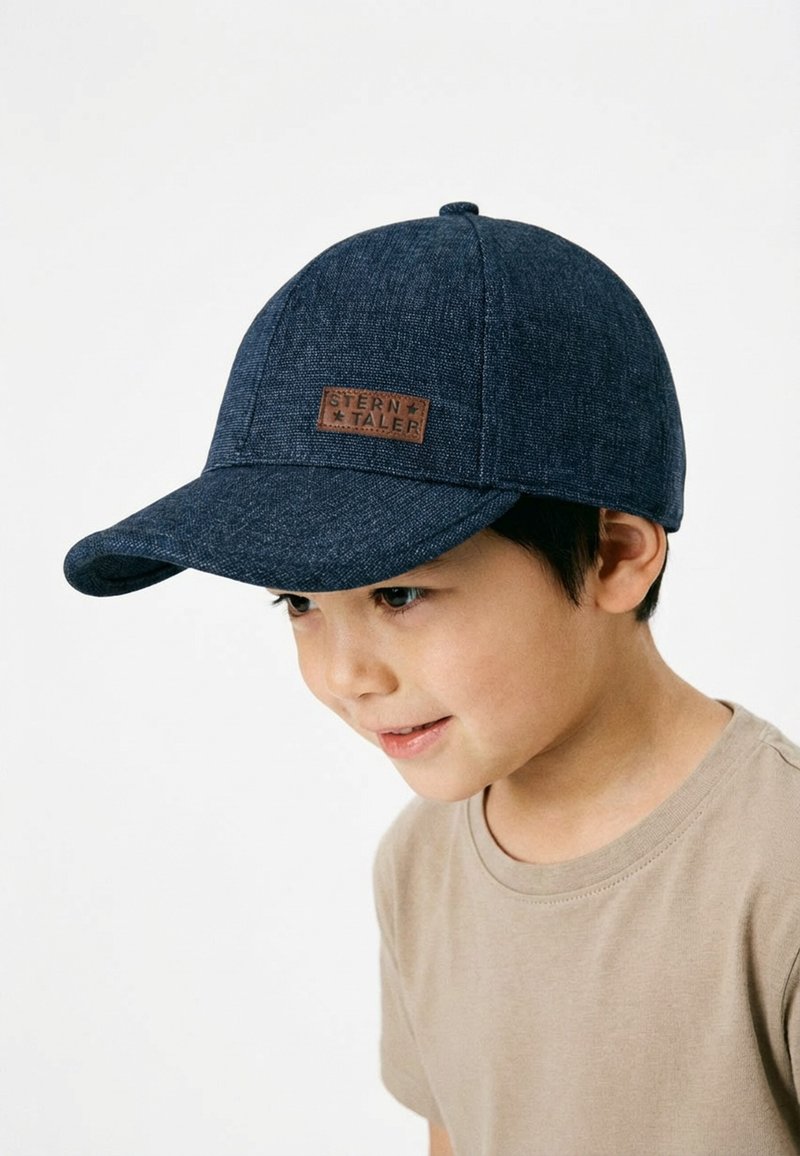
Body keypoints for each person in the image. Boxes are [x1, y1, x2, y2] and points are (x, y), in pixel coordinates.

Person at [64, 202, 800, 1155]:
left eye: (401, 593)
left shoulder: (776, 878)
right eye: (298, 601)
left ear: (615, 555)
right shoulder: (420, 863)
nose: (345, 675)